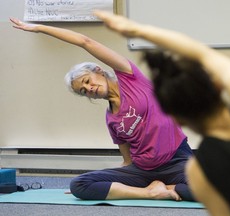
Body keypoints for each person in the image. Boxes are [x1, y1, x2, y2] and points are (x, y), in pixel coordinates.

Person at [95, 11, 230, 216]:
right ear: (218, 85)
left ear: (177, 119)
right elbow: (202, 53)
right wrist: (136, 30)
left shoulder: (200, 172)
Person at [10, 18, 196, 201]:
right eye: (84, 91)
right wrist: (96, 186)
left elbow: (85, 41)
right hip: (143, 171)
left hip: (176, 162)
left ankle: (168, 187)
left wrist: (40, 28)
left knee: (217, 189)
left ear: (98, 70)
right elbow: (127, 162)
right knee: (79, 185)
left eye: (87, 81)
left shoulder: (130, 78)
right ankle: (151, 192)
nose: (89, 89)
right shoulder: (111, 119)